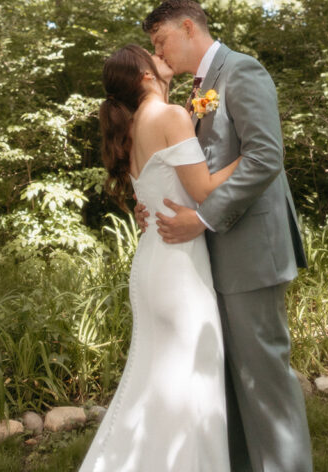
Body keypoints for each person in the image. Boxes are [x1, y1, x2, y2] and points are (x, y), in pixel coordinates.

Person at [138, 0, 313, 472]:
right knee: (231, 380)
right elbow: (199, 168)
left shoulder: (242, 71)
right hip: (214, 256)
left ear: (189, 27)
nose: (160, 55)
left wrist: (203, 218)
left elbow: (263, 156)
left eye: (162, 42)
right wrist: (154, 201)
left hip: (251, 252)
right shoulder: (200, 88)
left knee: (263, 378)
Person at [79, 43, 241, 472]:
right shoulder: (170, 117)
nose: (159, 53)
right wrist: (251, 158)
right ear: (145, 76)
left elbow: (158, 191)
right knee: (189, 385)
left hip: (154, 264)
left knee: (156, 382)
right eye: (150, 54)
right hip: (178, 269)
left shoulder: (133, 125)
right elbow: (204, 191)